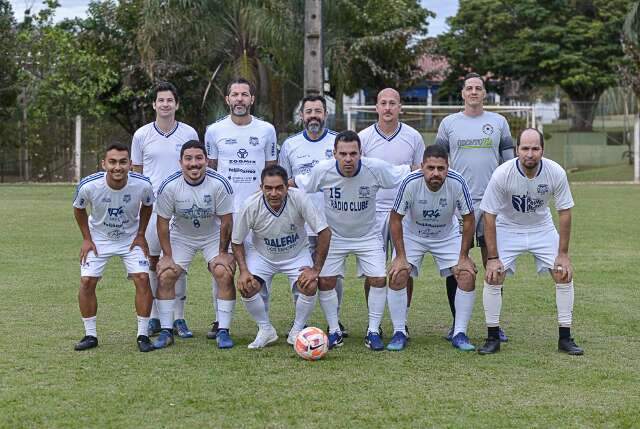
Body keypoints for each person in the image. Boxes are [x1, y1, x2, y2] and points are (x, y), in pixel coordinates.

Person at [293, 130, 410, 351]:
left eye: (353, 154)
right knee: (326, 281)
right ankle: (334, 330)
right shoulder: (322, 170)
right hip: (335, 236)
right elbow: (302, 184)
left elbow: (404, 172)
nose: (348, 159)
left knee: (378, 279)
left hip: (367, 235)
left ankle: (373, 331)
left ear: (360, 153)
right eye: (343, 154)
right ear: (334, 154)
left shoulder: (375, 168)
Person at [477, 128, 583, 356]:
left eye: (535, 148)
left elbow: (564, 212)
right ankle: (492, 337)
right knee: (493, 276)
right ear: (517, 150)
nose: (530, 154)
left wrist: (563, 254)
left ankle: (565, 337)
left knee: (563, 272)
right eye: (525, 148)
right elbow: (489, 216)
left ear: (542, 150)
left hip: (541, 227)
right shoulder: (502, 173)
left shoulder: (555, 172)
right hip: (508, 227)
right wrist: (493, 258)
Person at [435, 72, 514, 342]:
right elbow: (439, 163)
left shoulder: (499, 122)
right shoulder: (449, 124)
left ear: (484, 93)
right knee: (456, 262)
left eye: (478, 88)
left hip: (492, 203)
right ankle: (457, 323)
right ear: (462, 93)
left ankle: (495, 324)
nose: (473, 92)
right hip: (459, 203)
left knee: (493, 263)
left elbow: (509, 164)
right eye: (468, 88)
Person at [204, 77, 277, 339]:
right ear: (227, 100)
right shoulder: (214, 131)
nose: (239, 99)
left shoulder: (266, 130)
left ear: (252, 100)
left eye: (244, 95)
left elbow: (271, 171)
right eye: (234, 95)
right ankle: (219, 321)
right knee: (222, 267)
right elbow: (209, 170)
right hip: (225, 213)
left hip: (257, 211)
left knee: (259, 266)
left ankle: (264, 323)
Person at [232, 165, 332, 349]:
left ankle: (296, 331)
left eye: (279, 187)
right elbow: (236, 241)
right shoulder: (250, 205)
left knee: (310, 284)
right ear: (261, 187)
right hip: (263, 255)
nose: (274, 193)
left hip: (296, 254)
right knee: (247, 287)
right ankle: (265, 330)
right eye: (268, 188)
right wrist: (244, 271)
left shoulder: (300, 198)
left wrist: (316, 269)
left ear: (287, 186)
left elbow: (324, 232)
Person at [388, 144, 477, 351]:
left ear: (448, 167)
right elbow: (395, 219)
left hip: (446, 235)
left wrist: (464, 256)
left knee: (466, 274)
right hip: (414, 235)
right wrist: (400, 256)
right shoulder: (410, 182)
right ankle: (399, 332)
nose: (435, 173)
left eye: (440, 168)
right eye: (430, 168)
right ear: (421, 167)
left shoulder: (457, 181)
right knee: (398, 273)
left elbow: (469, 218)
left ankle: (460, 333)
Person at [131, 81, 200, 338]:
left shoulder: (189, 132)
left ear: (177, 104)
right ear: (154, 104)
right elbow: (137, 173)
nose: (165, 104)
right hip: (152, 208)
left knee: (177, 263)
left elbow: (196, 166)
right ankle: (153, 317)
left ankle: (178, 318)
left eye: (170, 100)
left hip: (182, 205)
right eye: (161, 100)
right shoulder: (141, 135)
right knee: (152, 261)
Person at [152, 141, 235, 349]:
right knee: (166, 274)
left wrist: (224, 253)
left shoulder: (219, 183)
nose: (194, 164)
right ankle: (166, 330)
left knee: (223, 271)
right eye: (188, 159)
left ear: (206, 160)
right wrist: (167, 256)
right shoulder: (169, 186)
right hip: (182, 236)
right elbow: (162, 223)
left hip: (212, 235)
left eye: (199, 158)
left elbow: (226, 221)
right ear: (180, 162)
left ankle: (223, 330)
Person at [72, 143, 155, 352]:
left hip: (130, 239)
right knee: (86, 281)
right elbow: (79, 209)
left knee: (143, 278)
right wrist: (86, 239)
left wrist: (141, 234)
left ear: (130, 165)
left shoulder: (143, 184)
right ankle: (90, 335)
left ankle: (143, 335)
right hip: (99, 238)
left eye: (122, 162)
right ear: (104, 164)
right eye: (112, 162)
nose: (117, 167)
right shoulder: (89, 185)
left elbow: (148, 205)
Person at [278, 95, 348, 336]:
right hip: (301, 223)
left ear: (325, 114)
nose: (313, 116)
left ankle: (334, 323)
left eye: (318, 111)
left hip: (332, 221)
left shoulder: (338, 142)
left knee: (333, 275)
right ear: (301, 116)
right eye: (308, 111)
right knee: (301, 273)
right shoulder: (290, 145)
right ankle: (302, 322)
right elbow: (283, 184)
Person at [359, 88, 424, 336]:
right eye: (383, 103)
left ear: (400, 107)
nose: (387, 108)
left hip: (404, 212)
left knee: (403, 267)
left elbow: (420, 172)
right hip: (372, 212)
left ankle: (401, 322)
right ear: (376, 107)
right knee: (374, 270)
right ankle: (373, 323)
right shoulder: (363, 138)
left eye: (392, 103)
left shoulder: (413, 137)